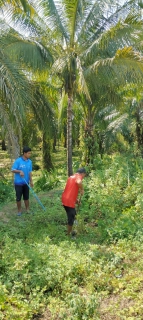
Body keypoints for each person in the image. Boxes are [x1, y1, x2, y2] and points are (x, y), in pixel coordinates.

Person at [61, 168, 86, 236]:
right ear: (82, 173)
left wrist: (76, 200)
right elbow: (79, 182)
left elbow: (70, 190)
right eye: (84, 175)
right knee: (71, 218)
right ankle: (69, 235)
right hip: (69, 201)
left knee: (74, 214)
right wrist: (82, 189)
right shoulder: (78, 177)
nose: (83, 177)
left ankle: (76, 228)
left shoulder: (71, 177)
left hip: (64, 198)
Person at [11, 146, 33, 216]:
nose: (30, 155)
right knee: (18, 197)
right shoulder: (18, 161)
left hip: (26, 182)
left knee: (26, 197)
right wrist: (19, 171)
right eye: (28, 153)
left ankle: (27, 209)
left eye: (30, 153)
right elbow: (13, 170)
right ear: (24, 153)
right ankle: (19, 211)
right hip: (18, 183)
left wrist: (31, 181)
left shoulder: (30, 162)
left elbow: (30, 172)